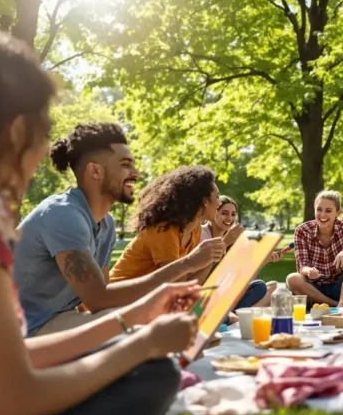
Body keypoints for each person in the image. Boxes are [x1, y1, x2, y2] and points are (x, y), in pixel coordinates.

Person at [0, 28, 200, 415]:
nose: (41, 154)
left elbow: (11, 357)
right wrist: (142, 344)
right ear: (17, 129)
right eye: (42, 130)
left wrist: (131, 320)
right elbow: (13, 398)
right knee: (153, 373)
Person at [15, 124, 224, 336]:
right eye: (125, 165)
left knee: (156, 328)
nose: (135, 173)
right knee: (145, 335)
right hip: (21, 329)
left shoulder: (105, 224)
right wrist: (188, 263)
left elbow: (103, 304)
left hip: (58, 319)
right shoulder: (63, 215)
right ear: (95, 170)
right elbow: (98, 298)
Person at [111, 169, 268, 316]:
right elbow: (177, 291)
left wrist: (210, 256)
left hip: (151, 302)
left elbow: (191, 285)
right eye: (217, 197)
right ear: (204, 202)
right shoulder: (164, 231)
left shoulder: (195, 231)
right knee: (210, 314)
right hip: (120, 305)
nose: (219, 203)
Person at [286, 191, 343, 307]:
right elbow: (301, 266)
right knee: (292, 278)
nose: (322, 215)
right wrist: (309, 271)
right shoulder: (302, 230)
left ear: (337, 212)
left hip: (341, 289)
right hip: (315, 289)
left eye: (328, 211)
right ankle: (339, 306)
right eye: (319, 209)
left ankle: (342, 303)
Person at [201, 195, 279, 307]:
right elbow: (204, 275)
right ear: (214, 213)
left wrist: (264, 260)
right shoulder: (202, 234)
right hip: (208, 293)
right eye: (224, 213)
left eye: (233, 214)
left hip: (226, 291)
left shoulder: (234, 238)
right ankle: (236, 316)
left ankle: (236, 316)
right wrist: (225, 242)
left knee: (269, 287)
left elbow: (242, 276)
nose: (229, 218)